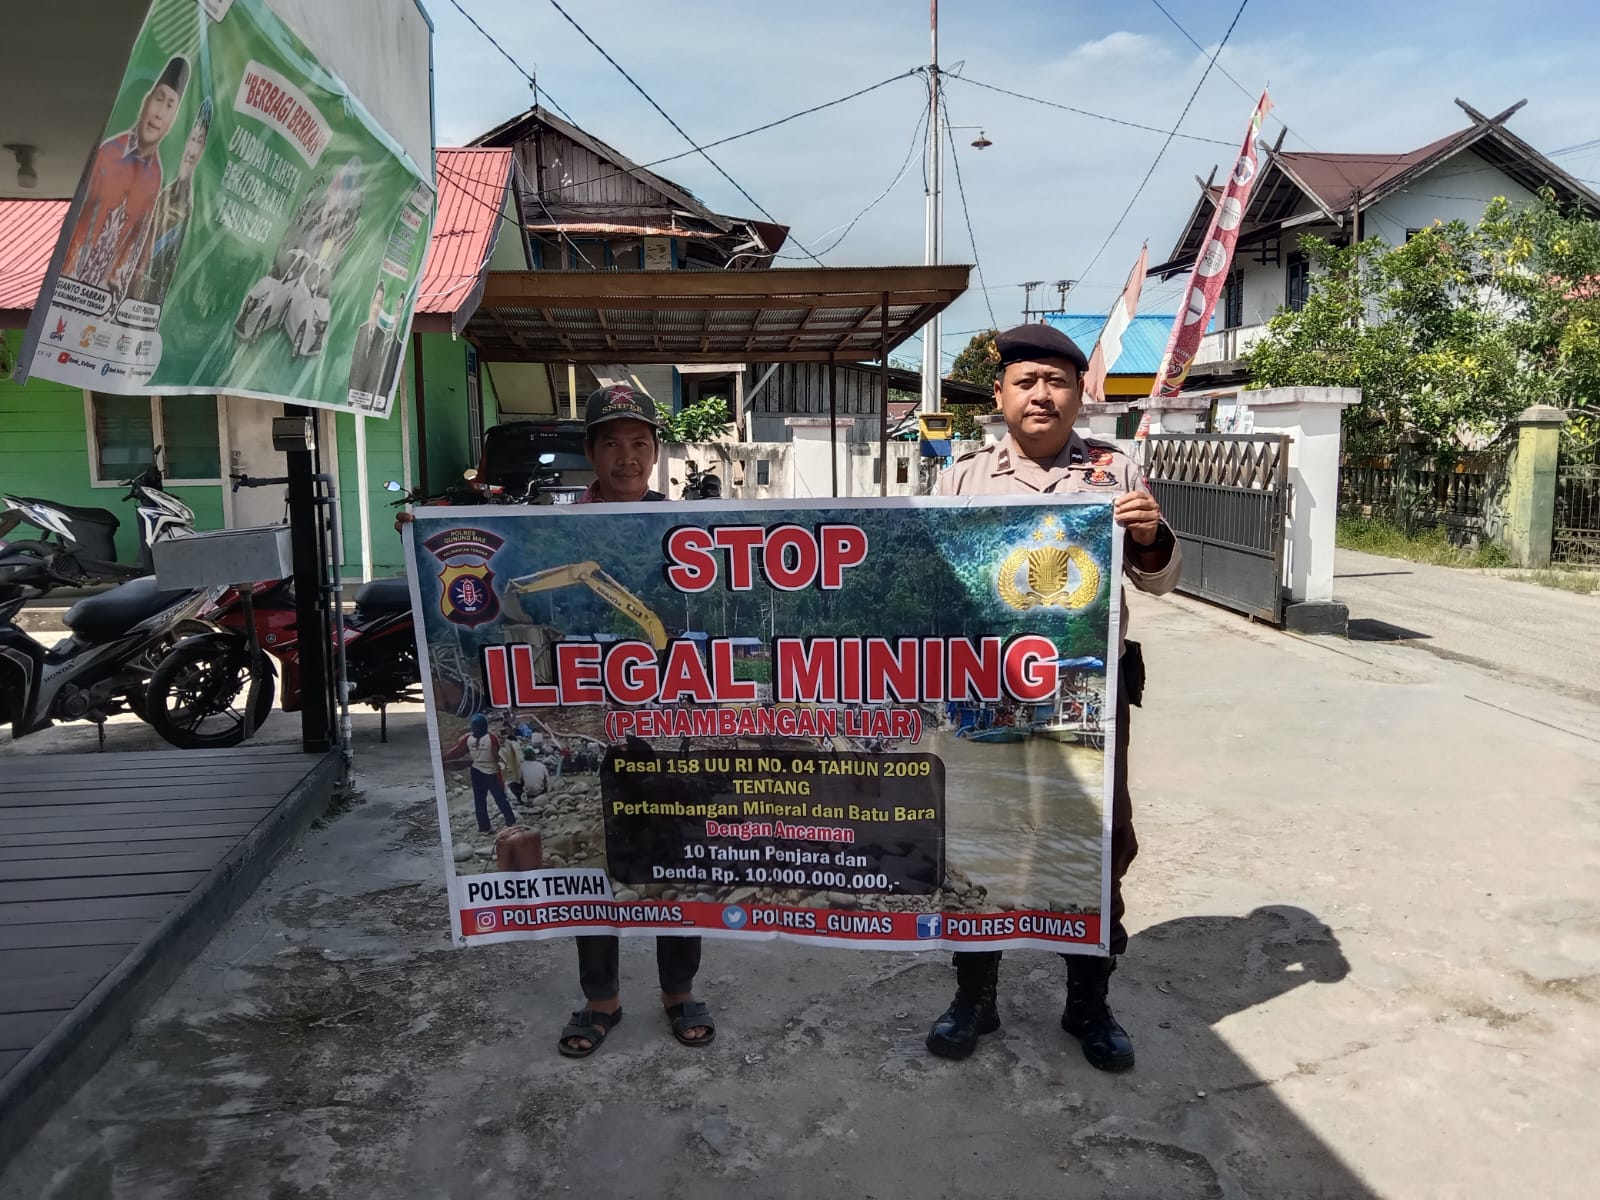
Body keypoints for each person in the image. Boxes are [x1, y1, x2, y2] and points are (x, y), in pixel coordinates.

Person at [924, 323, 1181, 1073]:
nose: (1042, 395)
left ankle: (1088, 1002)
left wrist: (1151, 536)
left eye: (1057, 382)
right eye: (1027, 381)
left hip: (1088, 692)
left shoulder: (1115, 469)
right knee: (981, 832)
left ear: (1078, 394)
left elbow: (1159, 581)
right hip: (984, 691)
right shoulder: (962, 480)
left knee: (1097, 838)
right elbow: (933, 583)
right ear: (1000, 394)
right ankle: (975, 995)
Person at [556, 383, 714, 1058]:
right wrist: (419, 532)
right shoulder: (557, 530)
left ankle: (679, 990)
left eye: (640, 444)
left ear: (656, 453)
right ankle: (602, 998)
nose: (627, 457)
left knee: (676, 849)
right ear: (590, 452)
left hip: (668, 714)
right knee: (599, 858)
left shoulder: (684, 532)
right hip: (598, 716)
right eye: (612, 443)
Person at [64, 56, 189, 296]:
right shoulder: (107, 153)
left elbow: (139, 244)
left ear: (173, 120)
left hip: (107, 298)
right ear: (146, 102)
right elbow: (76, 221)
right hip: (69, 284)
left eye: (170, 106)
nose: (159, 114)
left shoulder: (156, 177)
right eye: (158, 99)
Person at [130, 96, 211, 307]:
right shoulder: (166, 193)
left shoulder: (198, 207)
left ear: (204, 149)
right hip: (138, 293)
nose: (191, 151)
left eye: (199, 141)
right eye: (192, 139)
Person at [444, 713, 518, 833]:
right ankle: (511, 822)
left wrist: (443, 757)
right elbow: (496, 755)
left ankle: (484, 827)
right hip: (491, 772)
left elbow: (457, 752)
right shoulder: (491, 738)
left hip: (476, 771)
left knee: (479, 800)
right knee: (500, 797)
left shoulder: (468, 739)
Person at [348, 281, 388, 402]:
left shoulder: (382, 335)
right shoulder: (360, 330)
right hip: (354, 393)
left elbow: (377, 369)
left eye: (380, 303)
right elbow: (354, 365)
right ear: (371, 303)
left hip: (370, 396)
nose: (376, 306)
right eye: (376, 301)